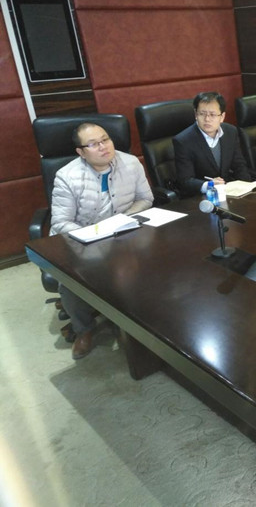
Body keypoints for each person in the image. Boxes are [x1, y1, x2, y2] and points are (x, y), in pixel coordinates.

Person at [51, 122, 154, 359]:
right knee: (70, 282)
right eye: (93, 144)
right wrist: (94, 235)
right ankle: (84, 329)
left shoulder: (131, 163)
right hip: (83, 240)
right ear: (81, 152)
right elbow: (60, 222)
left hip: (124, 234)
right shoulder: (67, 176)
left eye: (105, 139)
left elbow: (145, 198)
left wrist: (123, 220)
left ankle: (146, 320)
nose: (103, 147)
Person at [174, 91, 251, 197]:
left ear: (222, 116)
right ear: (196, 114)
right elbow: (185, 180)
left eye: (212, 114)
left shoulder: (231, 132)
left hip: (228, 193)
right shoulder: (183, 141)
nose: (207, 119)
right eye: (202, 114)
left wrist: (247, 188)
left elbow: (239, 165)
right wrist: (208, 185)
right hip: (200, 197)